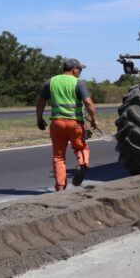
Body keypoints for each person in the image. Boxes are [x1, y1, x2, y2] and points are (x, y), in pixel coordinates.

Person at [36, 58, 98, 191]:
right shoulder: (78, 83)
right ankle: (81, 165)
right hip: (75, 124)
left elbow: (40, 102)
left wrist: (39, 118)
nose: (80, 72)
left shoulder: (50, 82)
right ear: (74, 69)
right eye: (80, 69)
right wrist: (94, 119)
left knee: (58, 156)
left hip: (57, 124)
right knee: (81, 148)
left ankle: (60, 186)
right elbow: (88, 103)